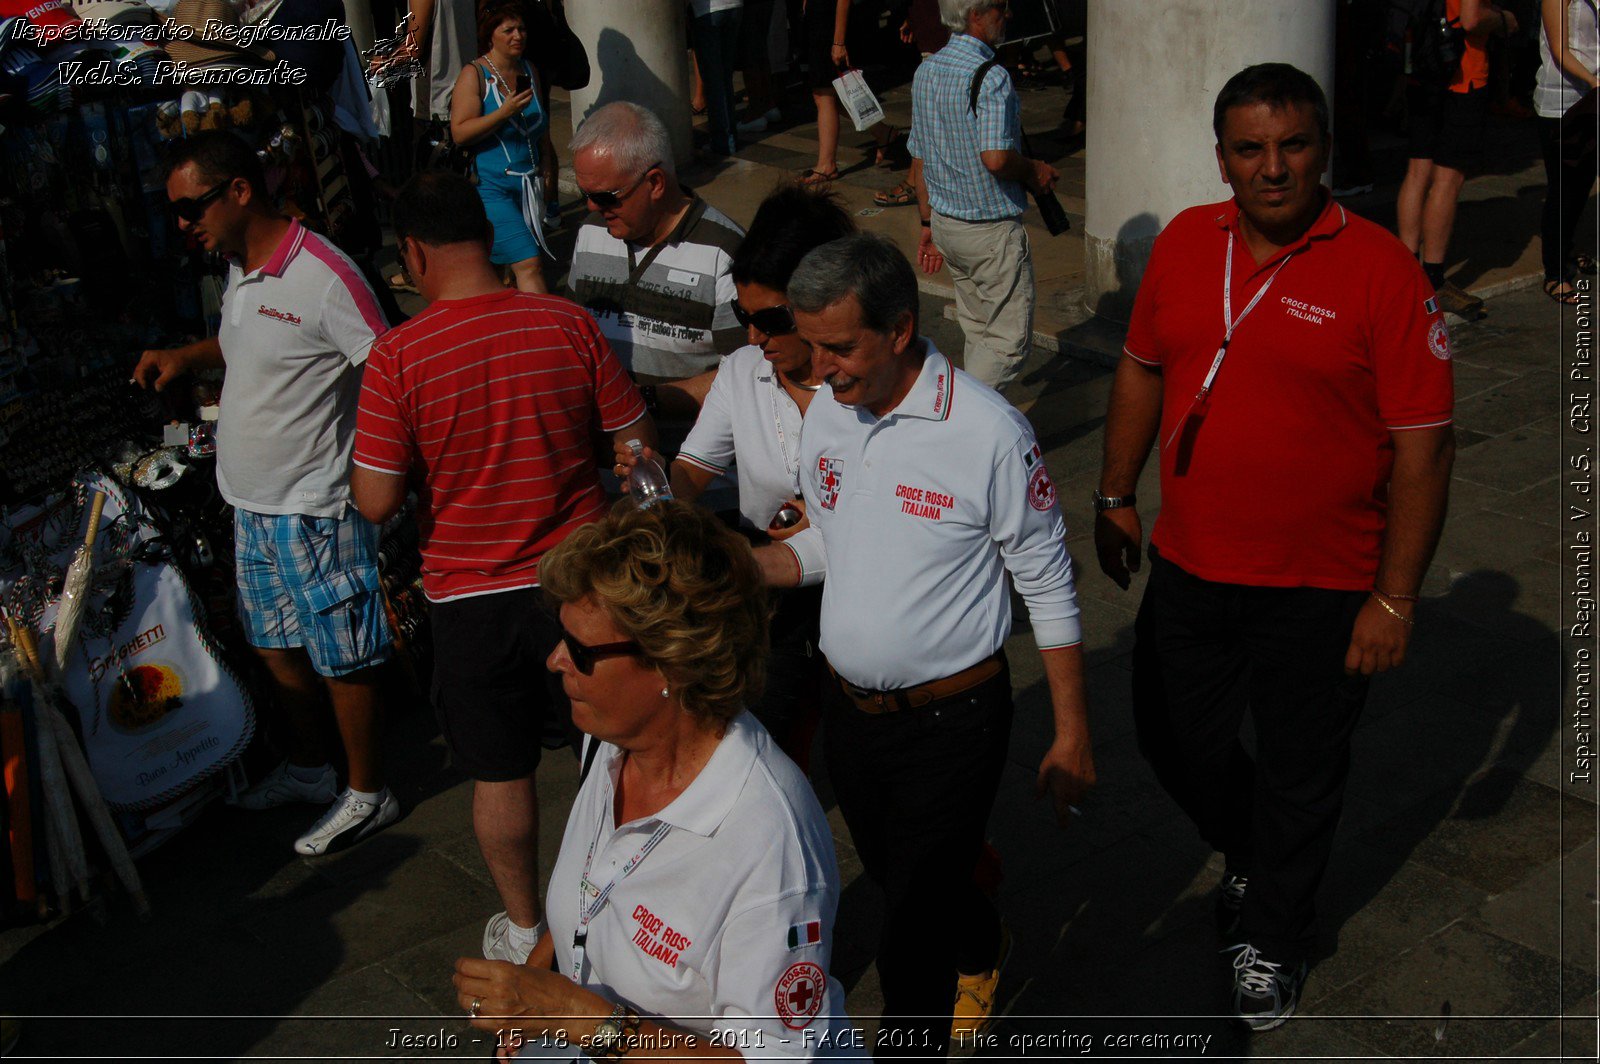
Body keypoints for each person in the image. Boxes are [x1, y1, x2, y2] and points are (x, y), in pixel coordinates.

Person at [1095, 64, 1455, 1030]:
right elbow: (1137, 373)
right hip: (1193, 561)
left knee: (1305, 768)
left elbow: (1425, 450)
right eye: (1250, 149)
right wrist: (1115, 493)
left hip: (1324, 583)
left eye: (1293, 145)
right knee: (1172, 737)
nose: (1273, 167)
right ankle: (1254, 850)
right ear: (1222, 158)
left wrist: (1395, 600)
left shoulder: (1382, 269)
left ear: (1324, 150)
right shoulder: (1181, 243)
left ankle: (1277, 935)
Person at [751, 233, 1095, 1057]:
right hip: (852, 712)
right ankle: (983, 944)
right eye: (814, 345)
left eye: (839, 347)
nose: (820, 368)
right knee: (913, 880)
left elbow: (1048, 580)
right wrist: (753, 564)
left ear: (900, 329)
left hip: (954, 723)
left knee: (908, 928)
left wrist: (1074, 729)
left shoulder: (987, 433)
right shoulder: (832, 414)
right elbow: (834, 539)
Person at [349, 173, 655, 965]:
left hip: (470, 600)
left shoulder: (396, 357)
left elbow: (376, 500)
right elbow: (632, 435)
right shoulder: (567, 323)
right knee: (616, 753)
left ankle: (525, 929)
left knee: (498, 771)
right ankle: (620, 907)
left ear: (412, 252)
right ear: (487, 237)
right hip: (582, 585)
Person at [451, 501, 855, 1060]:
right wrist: (533, 991)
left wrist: (572, 1014)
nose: (554, 661)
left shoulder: (768, 841)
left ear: (674, 662)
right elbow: (597, 896)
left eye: (582, 651)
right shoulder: (612, 743)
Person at [133, 131, 399, 856]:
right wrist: (185, 356)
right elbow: (249, 343)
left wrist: (377, 474)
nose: (185, 224)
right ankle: (315, 770)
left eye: (192, 208)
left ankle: (369, 792)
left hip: (315, 504)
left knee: (345, 655)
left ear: (240, 192)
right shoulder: (237, 268)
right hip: (250, 503)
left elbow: (389, 367)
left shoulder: (324, 273)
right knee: (276, 646)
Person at [616, 184, 856, 765]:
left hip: (859, 604)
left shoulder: (866, 386)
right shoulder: (744, 372)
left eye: (771, 320)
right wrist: (659, 486)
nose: (755, 337)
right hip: (774, 602)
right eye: (745, 318)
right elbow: (695, 469)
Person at [566, 101, 745, 450]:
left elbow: (745, 376)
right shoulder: (591, 232)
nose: (592, 208)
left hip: (688, 468)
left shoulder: (725, 252)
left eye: (605, 197)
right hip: (601, 468)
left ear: (656, 182)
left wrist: (641, 400)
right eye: (585, 195)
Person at [909, 0, 1059, 392]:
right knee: (1007, 343)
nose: (1007, 15)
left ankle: (974, 425)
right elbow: (995, 158)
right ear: (977, 14)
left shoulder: (927, 69)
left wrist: (926, 223)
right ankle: (962, 421)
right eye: (1001, 8)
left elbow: (919, 161)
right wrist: (1034, 170)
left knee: (978, 330)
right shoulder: (991, 77)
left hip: (947, 225)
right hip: (989, 233)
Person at [1394, 0, 1522, 317]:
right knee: (1447, 180)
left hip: (1424, 68)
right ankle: (1432, 279)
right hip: (1461, 74)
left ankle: (1407, 271)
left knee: (1416, 173)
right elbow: (1471, 19)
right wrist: (1504, 19)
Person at [449, 2, 555, 294]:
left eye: (521, 29)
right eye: (508, 30)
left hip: (528, 188)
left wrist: (548, 170)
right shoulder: (475, 74)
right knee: (529, 263)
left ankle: (494, 325)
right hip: (491, 188)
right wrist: (502, 112)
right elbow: (460, 132)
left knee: (493, 270)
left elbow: (542, 131)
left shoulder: (529, 70)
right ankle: (544, 332)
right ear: (490, 35)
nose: (517, 35)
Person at [1534, 0, 1599, 303]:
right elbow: (1560, 50)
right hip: (1562, 102)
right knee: (1563, 188)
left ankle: (1568, 247)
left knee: (1583, 182)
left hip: (1591, 99)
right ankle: (1555, 272)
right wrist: (1593, 81)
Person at [798, 0, 900, 185]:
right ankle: (882, 131)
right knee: (832, 96)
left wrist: (839, 42)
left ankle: (826, 164)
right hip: (821, 22)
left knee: (825, 95)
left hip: (831, 27)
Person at [691, 0, 745, 156]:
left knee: (715, 81)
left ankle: (723, 142)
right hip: (733, 6)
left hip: (708, 12)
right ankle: (729, 138)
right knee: (724, 78)